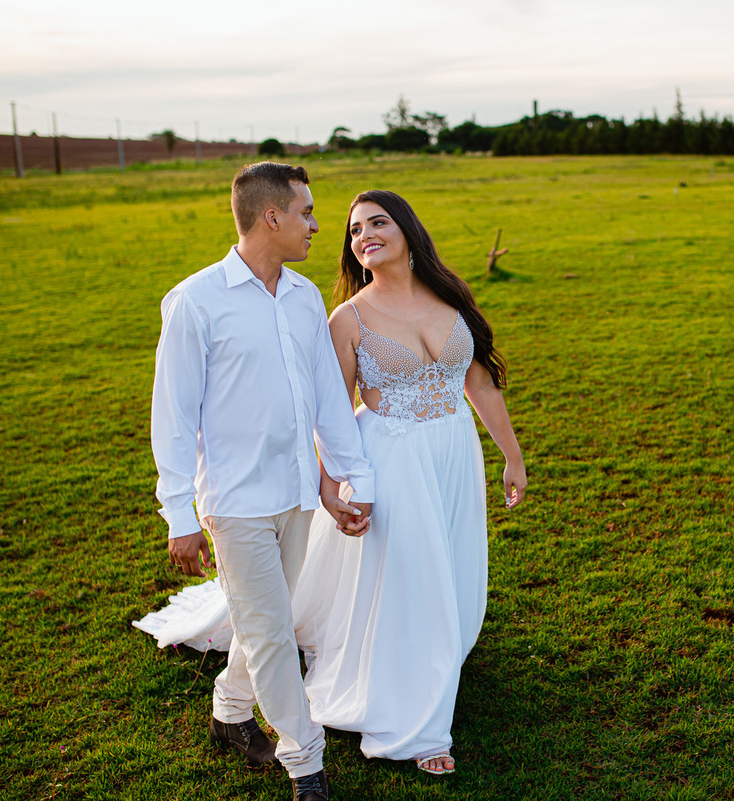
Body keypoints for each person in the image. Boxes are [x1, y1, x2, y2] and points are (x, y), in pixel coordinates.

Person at [148, 162, 374, 801]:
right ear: (270, 217)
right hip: (237, 502)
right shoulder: (195, 301)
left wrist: (341, 480)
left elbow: (329, 397)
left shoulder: (304, 298)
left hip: (299, 492)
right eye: (306, 212)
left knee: (265, 619)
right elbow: (173, 415)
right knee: (274, 631)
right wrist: (180, 516)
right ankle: (307, 766)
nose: (317, 224)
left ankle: (229, 711)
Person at [291, 190, 527, 775]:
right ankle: (419, 731)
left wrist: (512, 458)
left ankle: (440, 650)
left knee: (449, 564)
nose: (363, 235)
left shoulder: (451, 297)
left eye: (377, 222)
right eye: (352, 230)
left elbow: (479, 385)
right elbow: (332, 413)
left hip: (452, 452)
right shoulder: (346, 319)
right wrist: (330, 486)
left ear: (407, 231)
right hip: (389, 459)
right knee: (411, 579)